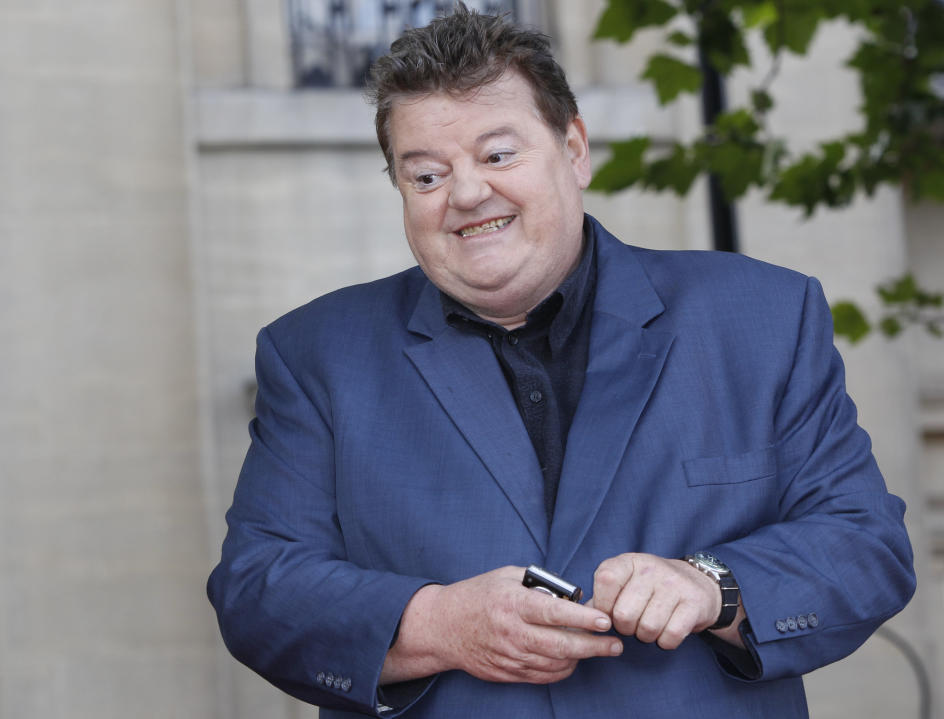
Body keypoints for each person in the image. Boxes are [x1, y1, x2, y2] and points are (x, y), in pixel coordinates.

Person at [207, 5, 915, 718]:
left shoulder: (764, 317)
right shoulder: (315, 354)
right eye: (425, 175)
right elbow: (258, 588)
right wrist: (438, 623)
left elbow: (864, 542)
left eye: (497, 154)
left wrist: (714, 586)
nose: (466, 193)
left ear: (574, 148)